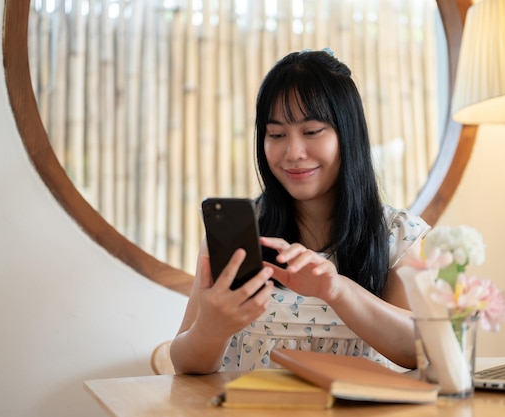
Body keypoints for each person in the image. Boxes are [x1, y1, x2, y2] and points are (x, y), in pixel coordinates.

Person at [170, 49, 430, 374]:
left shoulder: (397, 234)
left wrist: (338, 290)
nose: (293, 152)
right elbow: (183, 363)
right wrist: (211, 328)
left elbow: (421, 349)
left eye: (311, 132)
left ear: (347, 134)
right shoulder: (240, 233)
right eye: (276, 134)